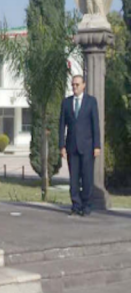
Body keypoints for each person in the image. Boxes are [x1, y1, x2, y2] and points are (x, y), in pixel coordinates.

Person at [59, 75, 101, 216]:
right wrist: (62, 146)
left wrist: (97, 145)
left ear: (84, 85)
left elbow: (95, 124)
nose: (74, 87)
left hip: (88, 147)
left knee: (87, 178)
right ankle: (76, 205)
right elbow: (61, 126)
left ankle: (87, 205)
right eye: (73, 85)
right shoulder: (66, 103)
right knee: (74, 178)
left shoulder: (91, 102)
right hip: (72, 146)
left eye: (77, 84)